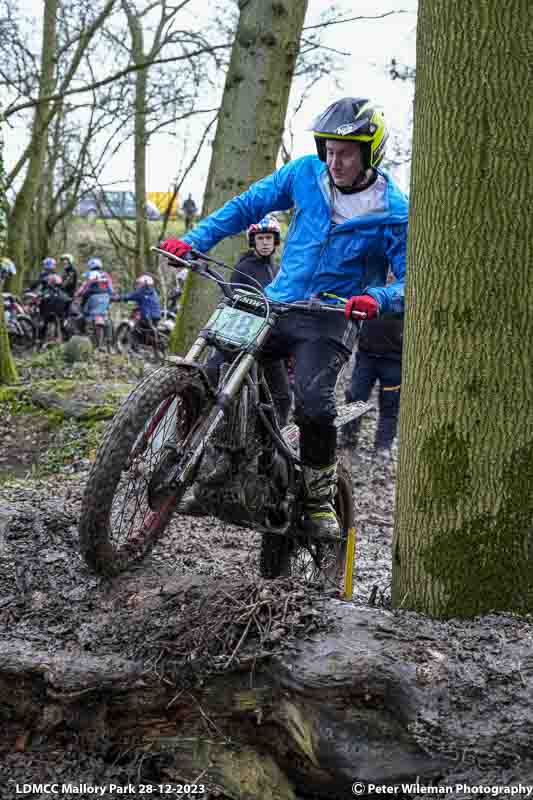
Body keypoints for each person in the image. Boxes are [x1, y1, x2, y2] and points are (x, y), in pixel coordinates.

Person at [161, 97, 408, 538]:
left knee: (314, 403)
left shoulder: (393, 210)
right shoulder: (303, 175)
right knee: (214, 371)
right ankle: (215, 468)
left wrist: (376, 298)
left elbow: (411, 281)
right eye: (329, 150)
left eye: (346, 152)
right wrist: (194, 240)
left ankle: (317, 501)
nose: (335, 161)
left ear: (371, 152)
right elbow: (245, 206)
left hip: (332, 316)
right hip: (278, 303)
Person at [206, 214, 292, 427]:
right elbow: (234, 301)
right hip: (243, 337)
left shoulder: (276, 269)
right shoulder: (244, 268)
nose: (265, 243)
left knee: (282, 396)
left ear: (275, 242)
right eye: (261, 238)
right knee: (212, 376)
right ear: (253, 241)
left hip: (268, 340)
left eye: (269, 239)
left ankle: (275, 444)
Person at [342, 313, 403, 461]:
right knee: (355, 396)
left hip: (394, 359)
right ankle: (348, 441)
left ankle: (383, 446)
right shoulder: (370, 289)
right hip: (366, 356)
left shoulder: (404, 292)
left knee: (390, 404)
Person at [112, 274, 161, 347]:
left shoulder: (141, 292)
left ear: (144, 284)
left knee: (135, 327)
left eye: (140, 283)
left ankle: (135, 346)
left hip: (147, 317)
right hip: (157, 316)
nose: (138, 285)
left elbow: (128, 297)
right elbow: (148, 303)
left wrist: (115, 298)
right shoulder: (154, 292)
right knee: (147, 329)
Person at [38, 273, 71, 346]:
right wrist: (66, 316)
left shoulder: (46, 292)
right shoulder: (63, 294)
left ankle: (39, 341)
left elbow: (41, 304)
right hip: (59, 315)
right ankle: (67, 340)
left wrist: (41, 315)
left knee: (42, 325)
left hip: (48, 315)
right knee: (64, 326)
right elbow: (68, 304)